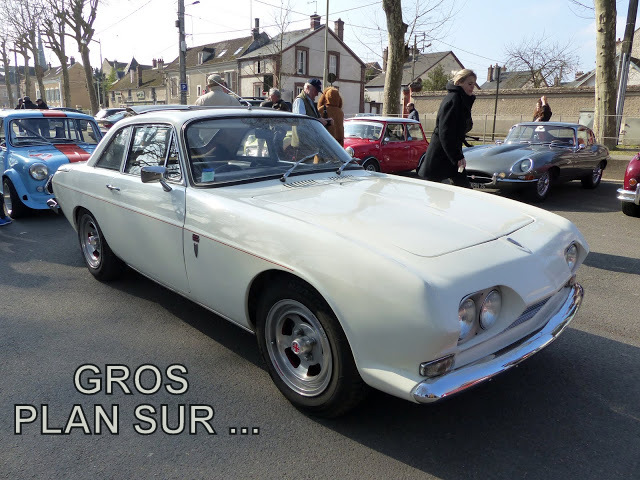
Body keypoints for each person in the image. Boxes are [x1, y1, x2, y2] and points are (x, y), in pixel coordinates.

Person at [417, 68, 477, 188]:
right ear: (459, 82)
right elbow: (445, 132)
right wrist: (457, 156)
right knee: (441, 193)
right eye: (470, 84)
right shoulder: (454, 99)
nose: (472, 87)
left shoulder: (461, 99)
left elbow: (458, 128)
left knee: (461, 191)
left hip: (449, 154)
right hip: (440, 155)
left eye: (474, 84)